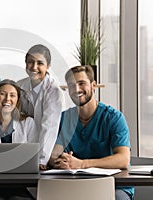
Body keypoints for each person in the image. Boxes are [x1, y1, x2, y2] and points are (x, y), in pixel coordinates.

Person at [48, 65, 134, 200]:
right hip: (74, 187)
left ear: (93, 85)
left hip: (114, 186)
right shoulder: (63, 119)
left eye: (81, 83)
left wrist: (81, 164)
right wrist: (60, 162)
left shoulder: (113, 118)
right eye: (71, 85)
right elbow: (52, 155)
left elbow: (123, 159)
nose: (76, 89)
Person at [17, 44, 64, 170]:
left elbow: (49, 126)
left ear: (48, 66)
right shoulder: (19, 86)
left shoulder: (54, 91)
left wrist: (41, 159)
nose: (34, 67)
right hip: (25, 147)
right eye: (30, 62)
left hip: (47, 150)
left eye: (40, 63)